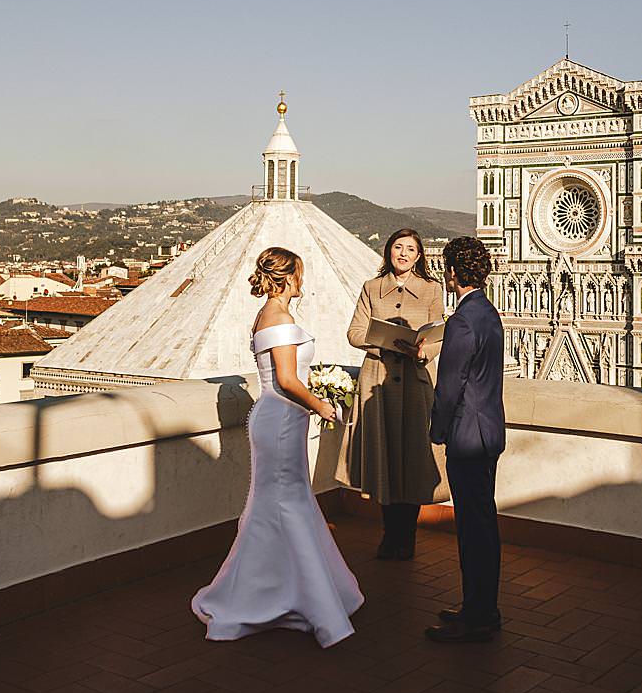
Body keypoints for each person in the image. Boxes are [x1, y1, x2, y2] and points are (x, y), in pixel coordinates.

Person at [191, 246, 363, 647]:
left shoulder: (268, 315)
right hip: (283, 418)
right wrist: (322, 403)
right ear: (289, 277)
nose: (303, 280)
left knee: (278, 501)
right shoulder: (279, 317)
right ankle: (301, 600)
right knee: (286, 502)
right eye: (300, 273)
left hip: (279, 417)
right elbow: (287, 379)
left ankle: (281, 589)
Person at [344, 227, 446, 560]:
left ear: (419, 256)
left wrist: (422, 352)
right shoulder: (371, 288)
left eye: (410, 249)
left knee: (413, 460)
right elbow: (355, 333)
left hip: (416, 385)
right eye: (397, 247)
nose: (402, 254)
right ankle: (390, 534)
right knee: (385, 457)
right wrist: (384, 341)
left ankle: (408, 535)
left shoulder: (432, 290)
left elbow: (439, 335)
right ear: (388, 251)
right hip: (379, 383)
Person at [426, 235, 505, 643]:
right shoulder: (490, 313)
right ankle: (480, 605)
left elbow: (449, 383)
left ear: (452, 271)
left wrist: (438, 430)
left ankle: (478, 614)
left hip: (467, 436)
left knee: (473, 528)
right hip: (490, 431)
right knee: (483, 524)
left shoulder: (461, 320)